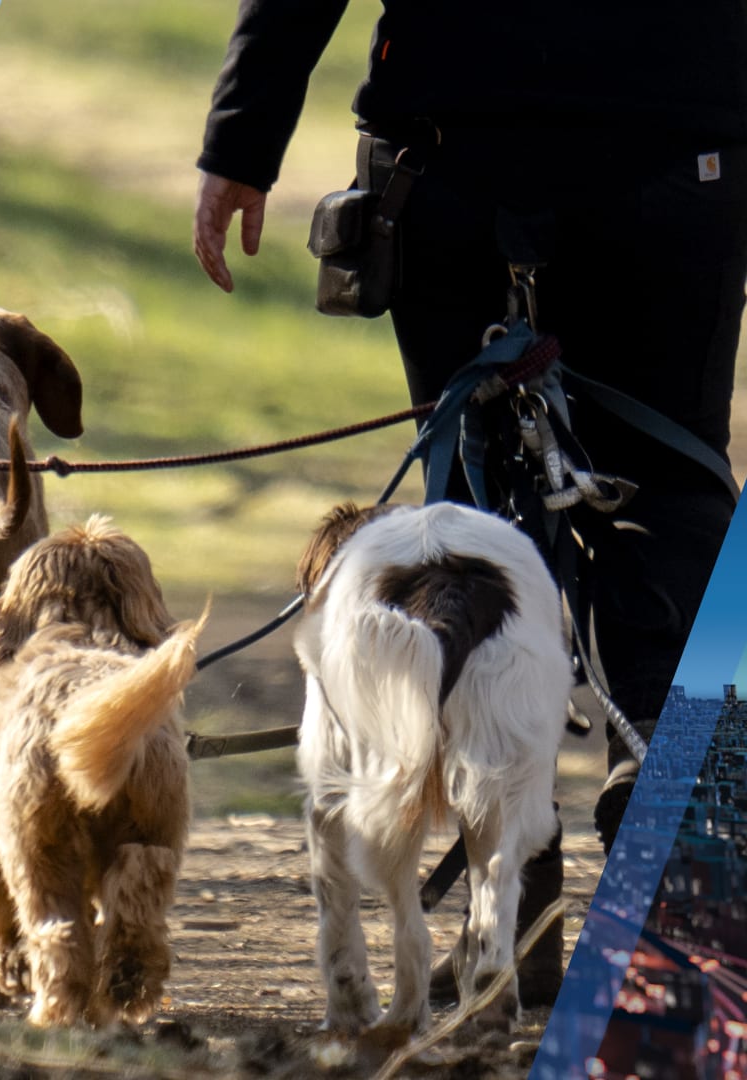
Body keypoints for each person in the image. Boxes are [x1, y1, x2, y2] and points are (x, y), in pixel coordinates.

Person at [192, 3, 747, 1005]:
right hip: (676, 147)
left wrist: (243, 140)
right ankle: (666, 782)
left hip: (452, 156)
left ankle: (514, 882)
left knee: (477, 506)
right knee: (671, 491)